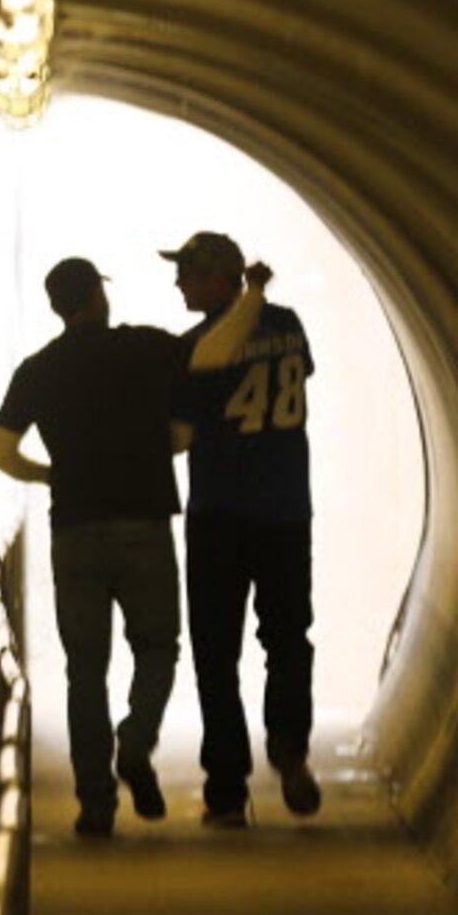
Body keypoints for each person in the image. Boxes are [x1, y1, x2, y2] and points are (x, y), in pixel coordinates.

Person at [0, 257, 257, 838]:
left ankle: (96, 805)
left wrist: (49, 476)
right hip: (145, 523)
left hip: (75, 529)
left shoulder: (39, 370)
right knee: (158, 647)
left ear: (60, 306)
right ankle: (134, 742)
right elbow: (191, 414)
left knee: (86, 670)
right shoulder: (147, 349)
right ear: (98, 298)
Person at [164, 231, 321, 829]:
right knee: (287, 640)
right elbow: (297, 374)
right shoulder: (290, 324)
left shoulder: (196, 347)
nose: (178, 284)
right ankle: (289, 747)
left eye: (187, 274)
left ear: (219, 280)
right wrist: (256, 299)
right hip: (287, 513)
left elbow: (194, 404)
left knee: (215, 653)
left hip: (220, 516)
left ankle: (226, 788)